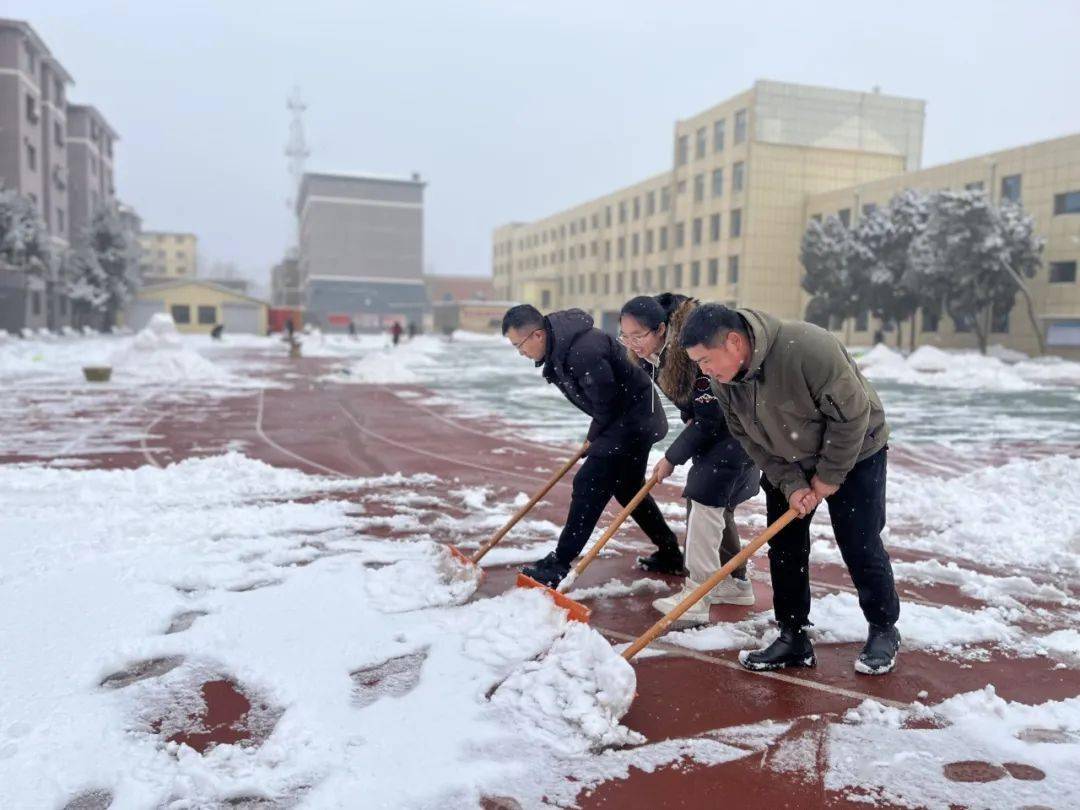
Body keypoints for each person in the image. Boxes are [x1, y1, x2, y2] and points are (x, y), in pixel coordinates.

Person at [679, 303, 901, 675]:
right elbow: (753, 443)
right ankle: (793, 635)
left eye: (705, 360)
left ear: (734, 342)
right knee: (784, 544)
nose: (704, 371)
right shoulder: (723, 382)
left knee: (859, 540)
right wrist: (792, 484)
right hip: (790, 457)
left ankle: (883, 628)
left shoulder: (809, 348)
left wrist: (829, 477)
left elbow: (852, 418)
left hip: (857, 449)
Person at [502, 304, 683, 587]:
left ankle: (559, 564)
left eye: (519, 345)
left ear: (537, 335)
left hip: (633, 420)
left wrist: (594, 436)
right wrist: (596, 433)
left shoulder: (582, 350)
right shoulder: (562, 346)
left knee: (589, 483)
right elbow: (605, 402)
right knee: (628, 489)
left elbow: (607, 402)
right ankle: (671, 553)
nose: (520, 352)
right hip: (629, 417)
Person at [619, 294, 759, 624]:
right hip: (723, 437)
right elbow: (699, 413)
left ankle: (696, 597)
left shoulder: (692, 356)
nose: (633, 343)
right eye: (625, 336)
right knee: (714, 511)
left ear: (661, 329)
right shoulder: (655, 356)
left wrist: (671, 457)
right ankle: (735, 584)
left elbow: (711, 418)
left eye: (639, 336)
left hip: (732, 437)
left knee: (704, 510)